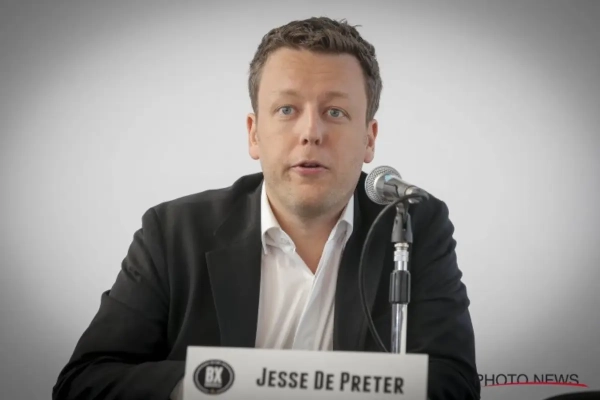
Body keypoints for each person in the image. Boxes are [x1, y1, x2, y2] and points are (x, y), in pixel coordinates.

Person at [52, 16, 480, 400]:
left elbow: (455, 383)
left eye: (335, 111)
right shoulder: (172, 232)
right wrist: (210, 386)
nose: (310, 132)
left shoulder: (415, 223)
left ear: (369, 139)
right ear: (254, 134)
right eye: (287, 109)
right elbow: (84, 382)